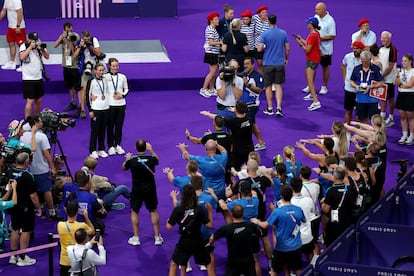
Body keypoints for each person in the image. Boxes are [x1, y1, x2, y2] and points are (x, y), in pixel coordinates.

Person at [251, 185, 306, 276]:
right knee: (298, 269)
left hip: (282, 248)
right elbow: (303, 220)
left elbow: (265, 225)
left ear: (281, 197)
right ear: (291, 195)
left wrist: (255, 221)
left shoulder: (277, 212)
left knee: (274, 271)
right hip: (296, 245)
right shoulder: (298, 209)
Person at [122, 139, 164, 246]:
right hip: (150, 189)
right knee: (153, 210)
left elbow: (123, 167)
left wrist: (127, 158)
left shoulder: (132, 160)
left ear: (136, 148)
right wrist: (152, 150)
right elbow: (157, 159)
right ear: (145, 148)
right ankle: (157, 237)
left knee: (135, 211)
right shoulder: (151, 159)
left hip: (137, 190)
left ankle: (136, 238)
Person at [166, 185, 214, 276]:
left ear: (183, 195)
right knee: (209, 264)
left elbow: (169, 227)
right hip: (198, 241)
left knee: (173, 265)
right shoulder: (199, 209)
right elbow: (209, 225)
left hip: (184, 242)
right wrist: (210, 211)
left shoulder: (178, 209)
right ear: (194, 195)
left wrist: (168, 221)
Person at [20, 115, 58, 220]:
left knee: (31, 192)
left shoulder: (22, 135)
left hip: (28, 170)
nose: (42, 123)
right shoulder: (42, 136)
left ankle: (34, 210)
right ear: (36, 123)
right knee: (47, 190)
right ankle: (52, 212)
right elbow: (46, 154)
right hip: (42, 170)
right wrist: (53, 167)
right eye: (40, 122)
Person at [9, 152, 42, 266]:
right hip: (25, 207)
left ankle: (13, 256)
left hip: (13, 205)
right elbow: (33, 195)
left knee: (14, 228)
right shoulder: (28, 176)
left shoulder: (10, 172)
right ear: (27, 162)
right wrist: (38, 208)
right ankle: (22, 258)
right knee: (26, 230)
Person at [209, 204, 261, 276]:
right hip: (248, 260)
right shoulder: (250, 226)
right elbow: (259, 234)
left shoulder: (226, 228)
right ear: (243, 214)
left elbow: (212, 237)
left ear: (231, 214)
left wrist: (211, 244)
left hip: (233, 261)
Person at [201, 101, 254, 170]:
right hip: (249, 148)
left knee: (235, 170)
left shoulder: (233, 122)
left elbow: (218, 118)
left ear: (236, 110)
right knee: (252, 168)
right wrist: (235, 110)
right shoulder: (249, 119)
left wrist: (208, 114)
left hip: (237, 150)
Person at [258, 14, 290, 117]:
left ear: (268, 22)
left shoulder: (265, 34)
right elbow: (288, 48)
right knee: (278, 85)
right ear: (276, 21)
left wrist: (265, 47)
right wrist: (286, 59)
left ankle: (270, 108)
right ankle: (279, 108)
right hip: (279, 63)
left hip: (267, 63)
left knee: (268, 86)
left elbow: (259, 49)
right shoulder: (283, 33)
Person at [303, 2, 336, 95]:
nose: (316, 11)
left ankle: (324, 86)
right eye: (315, 9)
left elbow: (333, 36)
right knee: (311, 68)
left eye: (318, 9)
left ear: (324, 10)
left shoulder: (330, 21)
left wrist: (319, 38)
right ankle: (310, 85)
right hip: (315, 49)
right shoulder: (315, 17)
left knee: (325, 67)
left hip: (325, 50)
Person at [58, 194, 95, 276]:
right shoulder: (81, 226)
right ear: (77, 212)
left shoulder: (60, 225)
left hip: (64, 261)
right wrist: (86, 217)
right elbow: (92, 231)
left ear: (66, 211)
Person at [321, 166, 356, 247]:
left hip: (335, 224)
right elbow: (354, 202)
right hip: (348, 221)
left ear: (334, 176)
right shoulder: (351, 189)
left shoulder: (331, 191)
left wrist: (322, 203)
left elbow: (325, 210)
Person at [19, 32, 50, 119]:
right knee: (30, 100)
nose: (34, 42)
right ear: (28, 39)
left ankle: (36, 118)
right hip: (28, 78)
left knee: (39, 100)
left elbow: (47, 57)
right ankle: (28, 118)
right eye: (32, 40)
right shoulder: (23, 46)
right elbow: (22, 57)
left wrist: (42, 49)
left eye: (35, 40)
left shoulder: (39, 45)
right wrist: (30, 47)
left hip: (38, 77)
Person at [53, 22, 81, 112]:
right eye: (66, 29)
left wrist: (71, 41)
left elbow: (75, 52)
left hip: (74, 65)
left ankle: (81, 105)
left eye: (70, 29)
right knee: (70, 86)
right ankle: (73, 102)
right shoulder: (63, 37)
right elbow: (54, 45)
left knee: (77, 86)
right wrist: (62, 37)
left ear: (72, 28)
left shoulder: (76, 36)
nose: (68, 31)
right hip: (66, 65)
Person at [239, 57, 266, 150]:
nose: (245, 66)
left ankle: (246, 144)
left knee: (248, 123)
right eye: (244, 64)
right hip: (242, 104)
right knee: (252, 123)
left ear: (252, 65)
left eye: (247, 64)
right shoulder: (241, 75)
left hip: (253, 103)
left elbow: (259, 90)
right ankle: (261, 142)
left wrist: (248, 85)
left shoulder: (258, 76)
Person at [74, 30, 102, 119]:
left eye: (87, 39)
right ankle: (82, 110)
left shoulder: (94, 40)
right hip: (84, 67)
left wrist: (90, 46)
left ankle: (99, 107)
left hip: (95, 67)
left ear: (90, 37)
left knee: (98, 87)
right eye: (85, 39)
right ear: (82, 37)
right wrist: (80, 47)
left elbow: (98, 53)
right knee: (84, 89)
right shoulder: (79, 42)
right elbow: (74, 56)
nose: (86, 40)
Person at [350, 50, 384, 123]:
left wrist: (371, 86)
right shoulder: (356, 69)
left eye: (366, 61)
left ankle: (375, 134)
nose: (364, 63)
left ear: (370, 59)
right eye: (363, 61)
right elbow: (351, 81)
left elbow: (381, 83)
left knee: (375, 121)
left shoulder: (375, 69)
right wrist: (356, 86)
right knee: (361, 120)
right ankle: (363, 134)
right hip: (360, 100)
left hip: (373, 100)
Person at [296, 16, 322, 111]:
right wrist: (302, 39)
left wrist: (300, 44)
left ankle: (316, 102)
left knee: (310, 81)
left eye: (308, 23)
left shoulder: (312, 35)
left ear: (311, 24)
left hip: (311, 59)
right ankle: (312, 95)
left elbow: (307, 49)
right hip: (315, 58)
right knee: (309, 77)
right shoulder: (316, 33)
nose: (307, 24)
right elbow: (309, 43)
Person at [290, 177, 318, 262]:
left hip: (295, 237)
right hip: (308, 235)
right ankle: (313, 269)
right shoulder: (309, 200)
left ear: (291, 188)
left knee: (296, 261)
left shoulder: (289, 203)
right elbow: (312, 213)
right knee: (310, 255)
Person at [105, 57, 129, 156]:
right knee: (110, 126)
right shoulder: (105, 77)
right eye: (113, 66)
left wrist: (122, 95)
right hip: (110, 105)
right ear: (109, 66)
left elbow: (126, 89)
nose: (115, 67)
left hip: (121, 105)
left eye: (117, 66)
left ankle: (118, 145)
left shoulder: (122, 76)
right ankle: (110, 146)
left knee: (119, 126)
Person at [86, 63, 110, 159]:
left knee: (103, 130)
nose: (101, 72)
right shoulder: (91, 81)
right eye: (99, 70)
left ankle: (101, 149)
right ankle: (92, 150)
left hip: (105, 108)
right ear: (95, 71)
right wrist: (90, 110)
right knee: (95, 130)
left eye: (102, 70)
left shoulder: (105, 79)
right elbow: (87, 96)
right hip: (96, 109)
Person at [341, 41, 364, 123]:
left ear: (361, 49)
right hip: (349, 89)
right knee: (348, 111)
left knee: (359, 113)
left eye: (357, 48)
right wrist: (345, 79)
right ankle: (347, 133)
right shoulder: (348, 57)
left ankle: (357, 134)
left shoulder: (365, 59)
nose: (355, 50)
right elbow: (343, 65)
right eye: (353, 48)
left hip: (360, 90)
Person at [379, 31, 398, 127]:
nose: (382, 39)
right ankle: (382, 117)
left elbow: (391, 66)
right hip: (382, 78)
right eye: (382, 37)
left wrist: (382, 75)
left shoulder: (393, 49)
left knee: (390, 99)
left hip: (389, 79)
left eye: (385, 38)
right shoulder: (380, 48)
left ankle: (391, 117)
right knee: (382, 98)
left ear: (389, 39)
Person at [200, 12, 221, 98]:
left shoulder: (213, 28)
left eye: (217, 19)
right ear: (211, 21)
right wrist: (220, 42)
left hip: (215, 53)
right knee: (212, 73)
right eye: (215, 19)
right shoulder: (210, 29)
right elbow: (211, 42)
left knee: (214, 72)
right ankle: (204, 89)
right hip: (211, 53)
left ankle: (212, 89)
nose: (217, 21)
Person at [0, 0, 26, 71]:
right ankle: (11, 63)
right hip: (10, 26)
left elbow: (20, 13)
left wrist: (18, 26)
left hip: (19, 27)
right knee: (11, 44)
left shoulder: (16, 1)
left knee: (22, 45)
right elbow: (3, 11)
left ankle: (24, 64)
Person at [395, 54, 414, 145]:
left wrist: (401, 85)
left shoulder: (413, 71)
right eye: (402, 61)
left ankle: (412, 136)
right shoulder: (401, 72)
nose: (403, 63)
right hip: (401, 95)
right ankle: (404, 135)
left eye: (405, 61)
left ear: (410, 61)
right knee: (402, 117)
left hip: (410, 95)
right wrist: (397, 75)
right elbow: (396, 83)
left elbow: (410, 85)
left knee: (410, 117)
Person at [252, 5, 269, 74]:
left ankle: (268, 80)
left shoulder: (268, 21)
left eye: (266, 12)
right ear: (259, 14)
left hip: (266, 46)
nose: (265, 14)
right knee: (259, 64)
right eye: (263, 12)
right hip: (257, 45)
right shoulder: (255, 18)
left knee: (267, 65)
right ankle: (261, 80)